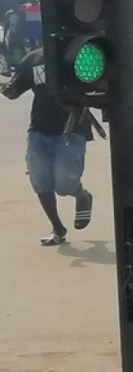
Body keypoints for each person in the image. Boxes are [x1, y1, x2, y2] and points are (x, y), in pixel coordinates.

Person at [2, 48, 95, 246]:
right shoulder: (33, 59)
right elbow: (13, 92)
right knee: (40, 180)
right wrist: (6, 87)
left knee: (64, 184)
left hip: (72, 129)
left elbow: (97, 83)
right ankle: (58, 228)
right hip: (39, 129)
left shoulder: (78, 51)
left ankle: (82, 195)